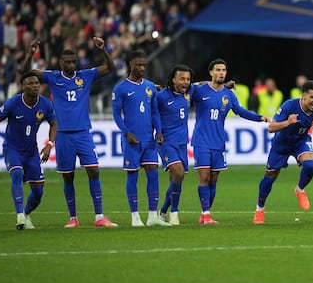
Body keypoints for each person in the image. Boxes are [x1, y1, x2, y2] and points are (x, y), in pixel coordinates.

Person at [21, 38, 118, 228]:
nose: (72, 65)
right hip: (63, 135)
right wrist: (31, 53)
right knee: (68, 176)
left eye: (74, 61)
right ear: (61, 63)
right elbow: (26, 73)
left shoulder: (86, 75)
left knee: (94, 171)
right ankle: (73, 218)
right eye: (68, 62)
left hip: (83, 132)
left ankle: (99, 216)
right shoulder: (52, 77)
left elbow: (110, 68)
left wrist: (103, 49)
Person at [191, 58, 269, 225]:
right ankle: (206, 215)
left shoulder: (228, 95)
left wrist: (261, 118)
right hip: (201, 141)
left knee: (213, 178)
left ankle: (205, 214)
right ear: (211, 72)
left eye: (223, 70)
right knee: (203, 176)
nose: (221, 73)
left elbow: (241, 111)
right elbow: (185, 86)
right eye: (217, 70)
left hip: (218, 142)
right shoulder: (200, 90)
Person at [254, 80, 313, 224]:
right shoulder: (289, 106)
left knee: (310, 164)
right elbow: (271, 127)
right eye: (312, 97)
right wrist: (287, 122)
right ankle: (260, 209)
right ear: (303, 96)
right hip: (281, 144)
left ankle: (300, 189)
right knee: (270, 176)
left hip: (301, 141)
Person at [112, 49, 171, 227]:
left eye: (144, 65)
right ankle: (135, 217)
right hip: (132, 141)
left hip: (149, 140)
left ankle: (152, 216)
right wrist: (126, 132)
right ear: (130, 64)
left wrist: (158, 131)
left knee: (153, 175)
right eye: (138, 65)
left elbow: (154, 112)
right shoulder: (121, 88)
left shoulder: (150, 87)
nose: (142, 68)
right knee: (133, 177)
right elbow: (116, 114)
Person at [0, 71, 57, 229]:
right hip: (12, 149)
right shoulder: (13, 103)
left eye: (36, 83)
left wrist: (49, 144)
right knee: (16, 173)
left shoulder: (45, 104)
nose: (34, 86)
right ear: (23, 86)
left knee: (38, 193)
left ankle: (26, 214)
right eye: (30, 84)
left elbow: (54, 123)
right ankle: (20, 216)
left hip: (31, 152)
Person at [157, 65, 194, 226]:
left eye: (187, 79)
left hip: (181, 143)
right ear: (173, 79)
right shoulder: (162, 96)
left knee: (176, 179)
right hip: (166, 143)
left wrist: (224, 85)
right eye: (182, 79)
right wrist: (157, 131)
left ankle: (163, 211)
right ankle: (174, 212)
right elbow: (153, 114)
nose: (185, 82)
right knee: (179, 174)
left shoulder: (189, 93)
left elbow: (203, 84)